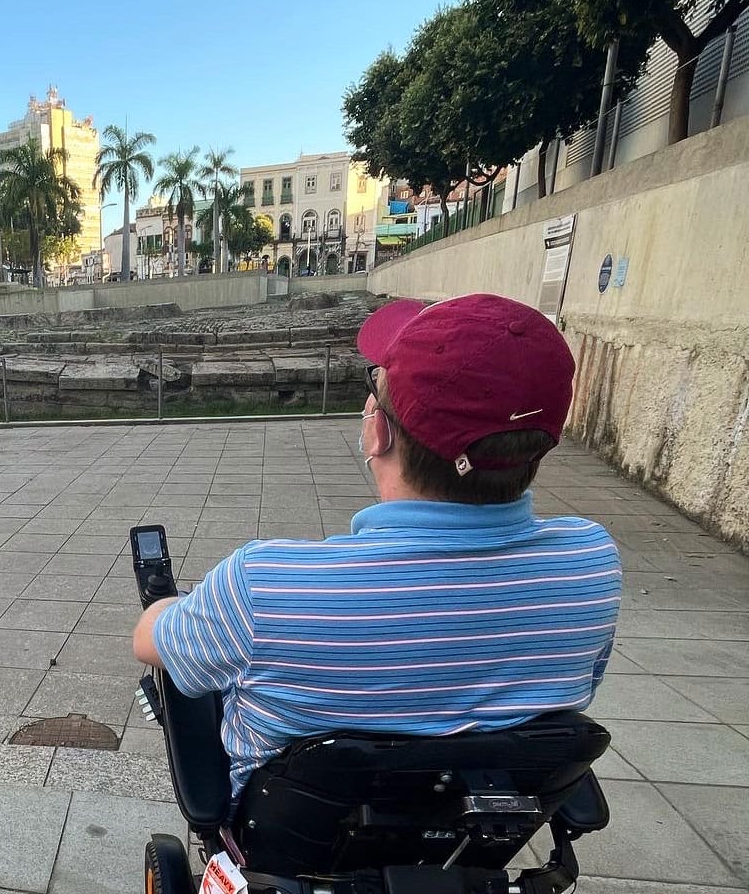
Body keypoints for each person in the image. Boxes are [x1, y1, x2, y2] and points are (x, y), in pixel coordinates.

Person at [132, 293, 622, 799]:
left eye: (376, 385)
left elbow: (148, 641)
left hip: (295, 836)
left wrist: (175, 605)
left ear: (377, 433)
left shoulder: (264, 585)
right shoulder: (589, 566)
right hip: (468, 825)